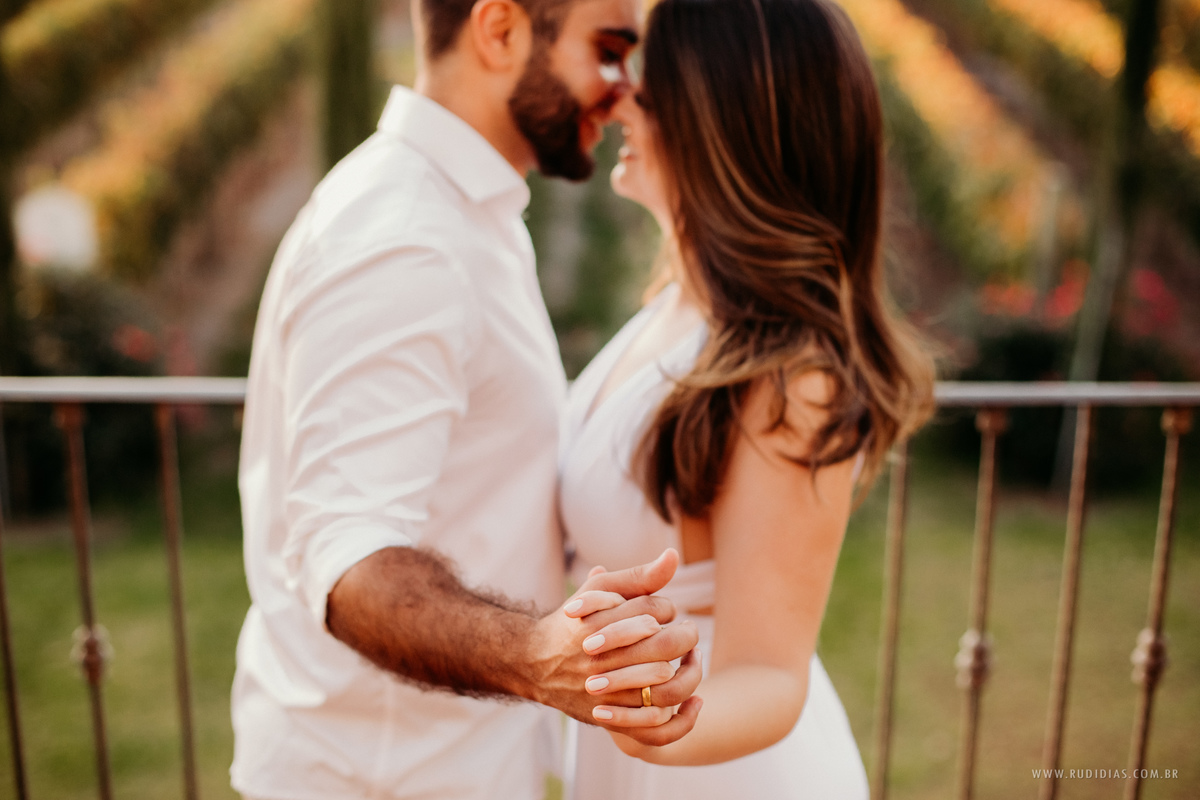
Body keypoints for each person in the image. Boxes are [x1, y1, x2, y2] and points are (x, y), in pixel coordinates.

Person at [229, 0, 705, 797]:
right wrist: (536, 657)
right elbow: (349, 561)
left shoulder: (464, 209)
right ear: (500, 30)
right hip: (382, 776)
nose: (623, 91)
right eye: (610, 49)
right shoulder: (405, 238)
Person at [556, 0, 937, 796]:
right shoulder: (678, 305)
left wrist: (644, 710)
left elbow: (769, 673)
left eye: (649, 92)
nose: (618, 99)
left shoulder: (792, 377)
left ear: (719, 125)